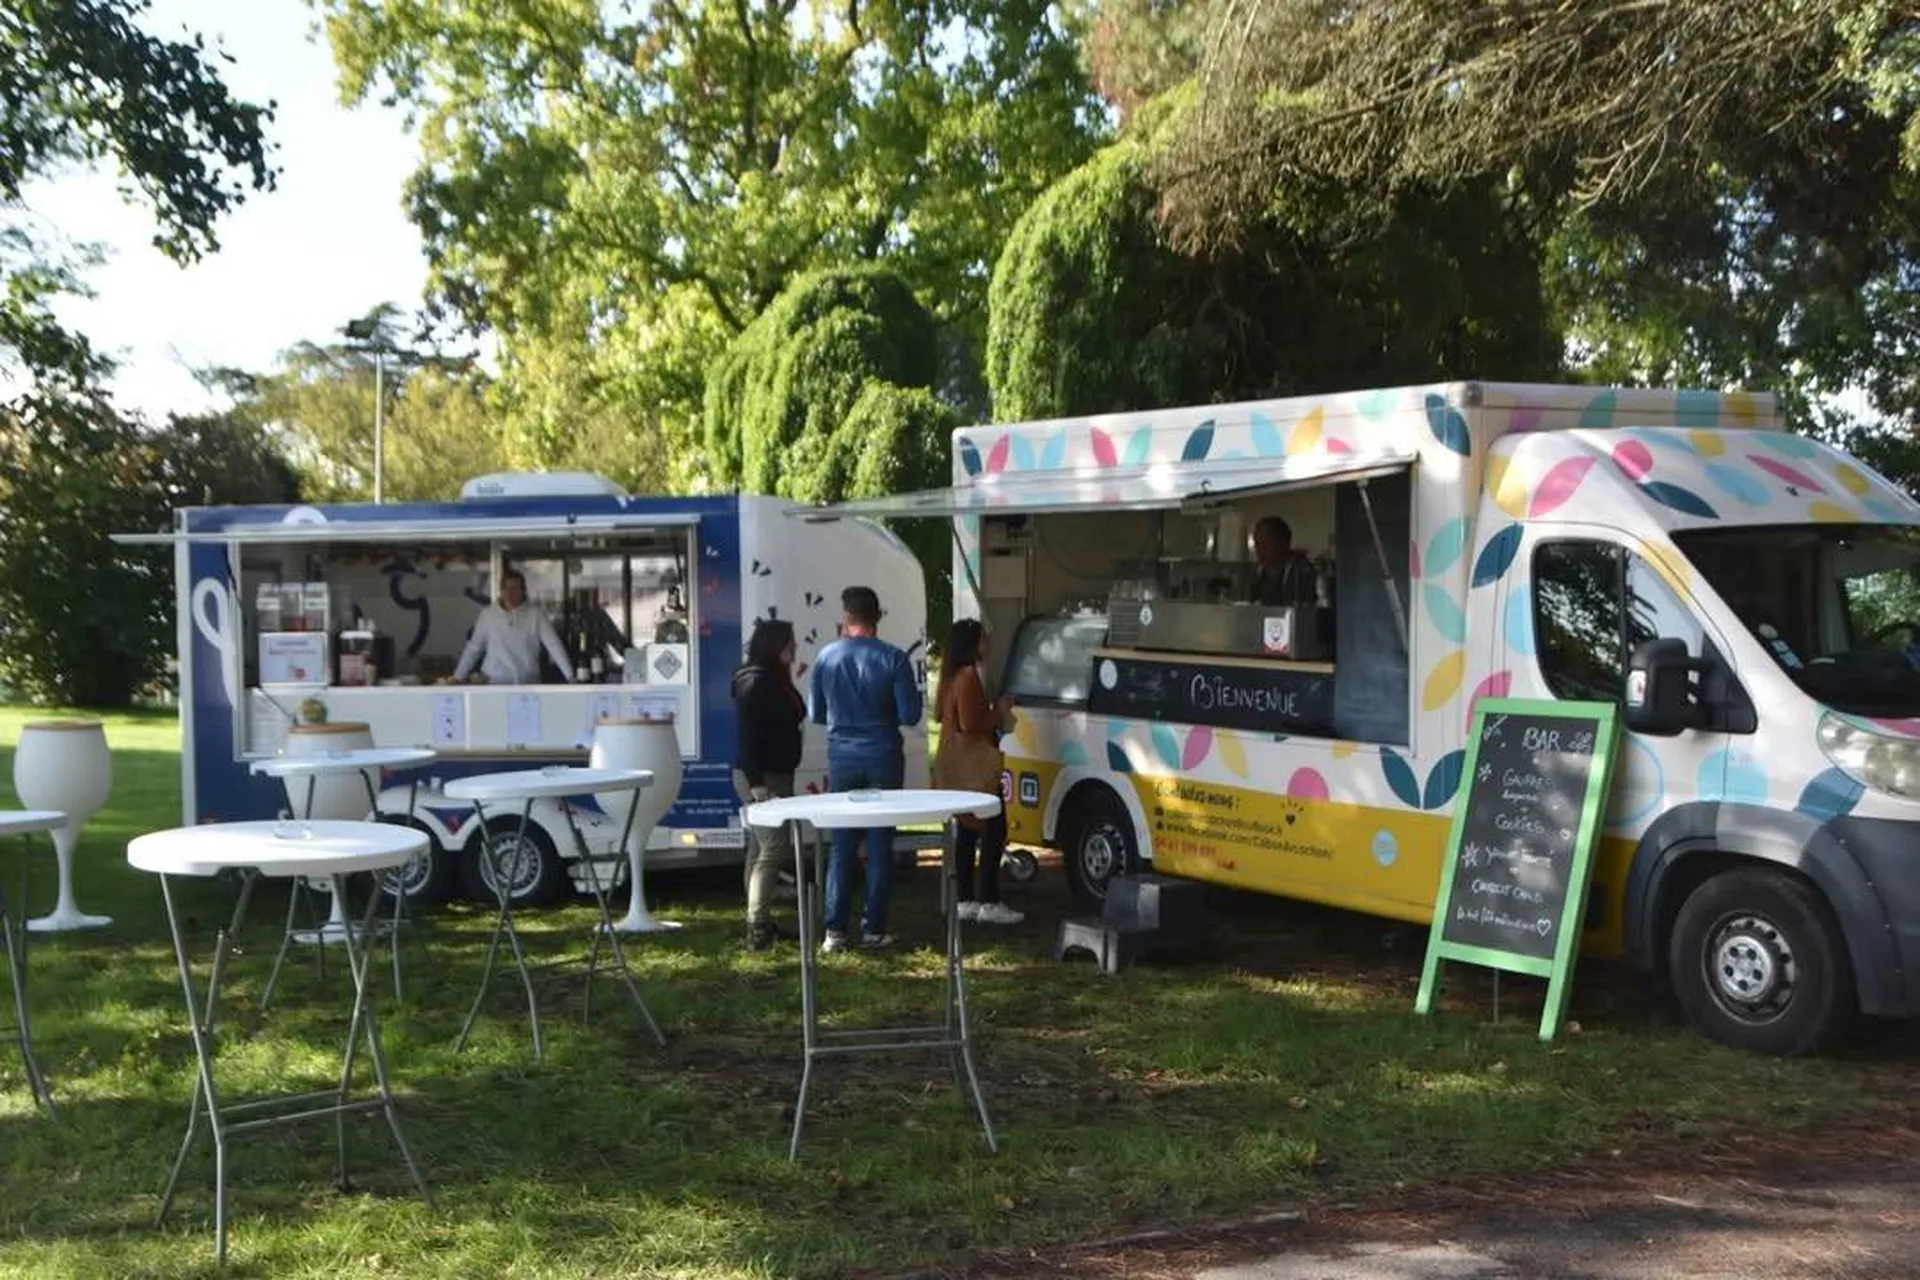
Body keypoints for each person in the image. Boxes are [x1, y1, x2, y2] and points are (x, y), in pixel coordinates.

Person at [808, 585, 922, 952]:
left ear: (846, 616)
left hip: (842, 757)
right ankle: (874, 929)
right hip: (884, 755)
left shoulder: (826, 657)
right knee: (879, 844)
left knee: (841, 845)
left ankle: (835, 931)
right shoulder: (894, 658)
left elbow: (816, 713)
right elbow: (910, 715)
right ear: (878, 617)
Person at [935, 619, 1023, 924]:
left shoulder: (949, 676)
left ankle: (966, 899)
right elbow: (971, 723)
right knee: (994, 827)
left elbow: (943, 715)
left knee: (968, 829)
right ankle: (989, 900)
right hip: (975, 765)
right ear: (973, 645)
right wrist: (999, 710)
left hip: (954, 763)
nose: (988, 644)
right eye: (984, 638)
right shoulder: (968, 676)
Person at [731, 619, 804, 951]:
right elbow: (748, 735)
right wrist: (756, 782)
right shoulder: (756, 682)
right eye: (790, 642)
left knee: (759, 849)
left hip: (774, 773)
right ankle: (757, 926)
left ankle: (758, 920)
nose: (795, 648)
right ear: (776, 646)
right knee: (774, 847)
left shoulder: (772, 679)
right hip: (764, 777)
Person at [448, 569, 575, 685]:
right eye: (506, 588)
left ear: (523, 590)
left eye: (515, 588)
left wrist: (570, 676)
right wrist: (458, 676)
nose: (510, 593)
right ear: (501, 590)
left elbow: (553, 645)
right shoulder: (488, 614)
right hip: (494, 683)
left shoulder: (536, 615)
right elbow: (474, 647)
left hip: (527, 683)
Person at [1250, 516, 1317, 608]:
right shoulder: (1257, 574)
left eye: (1265, 542)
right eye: (1257, 543)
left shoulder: (1302, 573)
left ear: (1284, 542)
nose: (1260, 549)